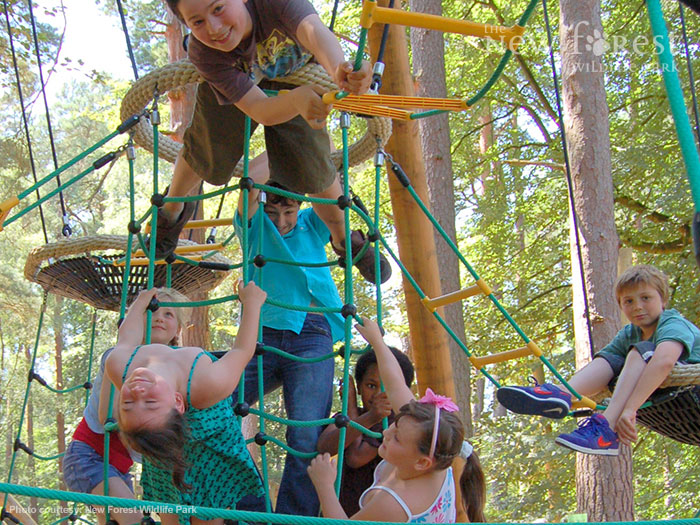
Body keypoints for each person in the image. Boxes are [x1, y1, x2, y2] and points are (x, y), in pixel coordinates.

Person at [152, 0, 390, 285]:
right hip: (239, 86)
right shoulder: (205, 51)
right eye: (197, 22)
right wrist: (295, 101)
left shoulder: (274, 3)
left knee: (312, 169)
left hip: (298, 78)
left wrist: (339, 69)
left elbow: (313, 31)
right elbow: (261, 110)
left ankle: (342, 237)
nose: (213, 28)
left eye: (218, 8)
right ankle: (172, 209)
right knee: (208, 148)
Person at [231, 157, 344, 516]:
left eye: (289, 212)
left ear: (300, 207)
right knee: (215, 405)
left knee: (305, 436)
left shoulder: (312, 224)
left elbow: (328, 194)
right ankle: (250, 509)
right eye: (274, 211)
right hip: (260, 334)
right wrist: (284, 135)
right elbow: (250, 183)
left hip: (311, 332)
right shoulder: (252, 226)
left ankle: (293, 521)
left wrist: (306, 148)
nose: (281, 222)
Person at [104, 281, 267, 525]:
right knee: (177, 511)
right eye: (150, 402)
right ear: (177, 402)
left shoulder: (119, 366)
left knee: (195, 510)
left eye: (127, 403)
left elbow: (126, 336)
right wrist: (252, 304)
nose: (137, 392)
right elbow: (242, 351)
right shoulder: (207, 384)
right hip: (205, 449)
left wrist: (141, 302)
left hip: (181, 445)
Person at [496, 264, 700, 456]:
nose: (637, 306)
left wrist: (629, 410)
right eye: (628, 301)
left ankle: (606, 427)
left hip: (692, 393)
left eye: (646, 298)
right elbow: (603, 364)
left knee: (641, 352)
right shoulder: (630, 333)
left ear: (663, 300)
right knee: (613, 359)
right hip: (663, 395)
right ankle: (561, 392)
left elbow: (664, 361)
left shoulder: (673, 323)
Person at [308, 318, 486, 523]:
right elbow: (395, 384)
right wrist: (377, 341)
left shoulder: (394, 503)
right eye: (395, 426)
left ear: (421, 462)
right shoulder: (435, 457)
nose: (386, 432)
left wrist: (325, 487)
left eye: (397, 438)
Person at [62, 288, 189, 525]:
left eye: (169, 314)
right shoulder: (120, 359)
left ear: (178, 329)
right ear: (137, 322)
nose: (160, 317)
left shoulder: (177, 371)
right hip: (89, 457)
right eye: (152, 311)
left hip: (121, 468)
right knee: (133, 520)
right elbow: (106, 416)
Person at [316, 346, 415, 516]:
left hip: (376, 514)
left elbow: (356, 457)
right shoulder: (346, 417)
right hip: (343, 511)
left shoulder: (395, 425)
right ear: (359, 387)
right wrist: (355, 411)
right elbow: (324, 446)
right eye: (371, 385)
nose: (378, 394)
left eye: (388, 386)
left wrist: (356, 409)